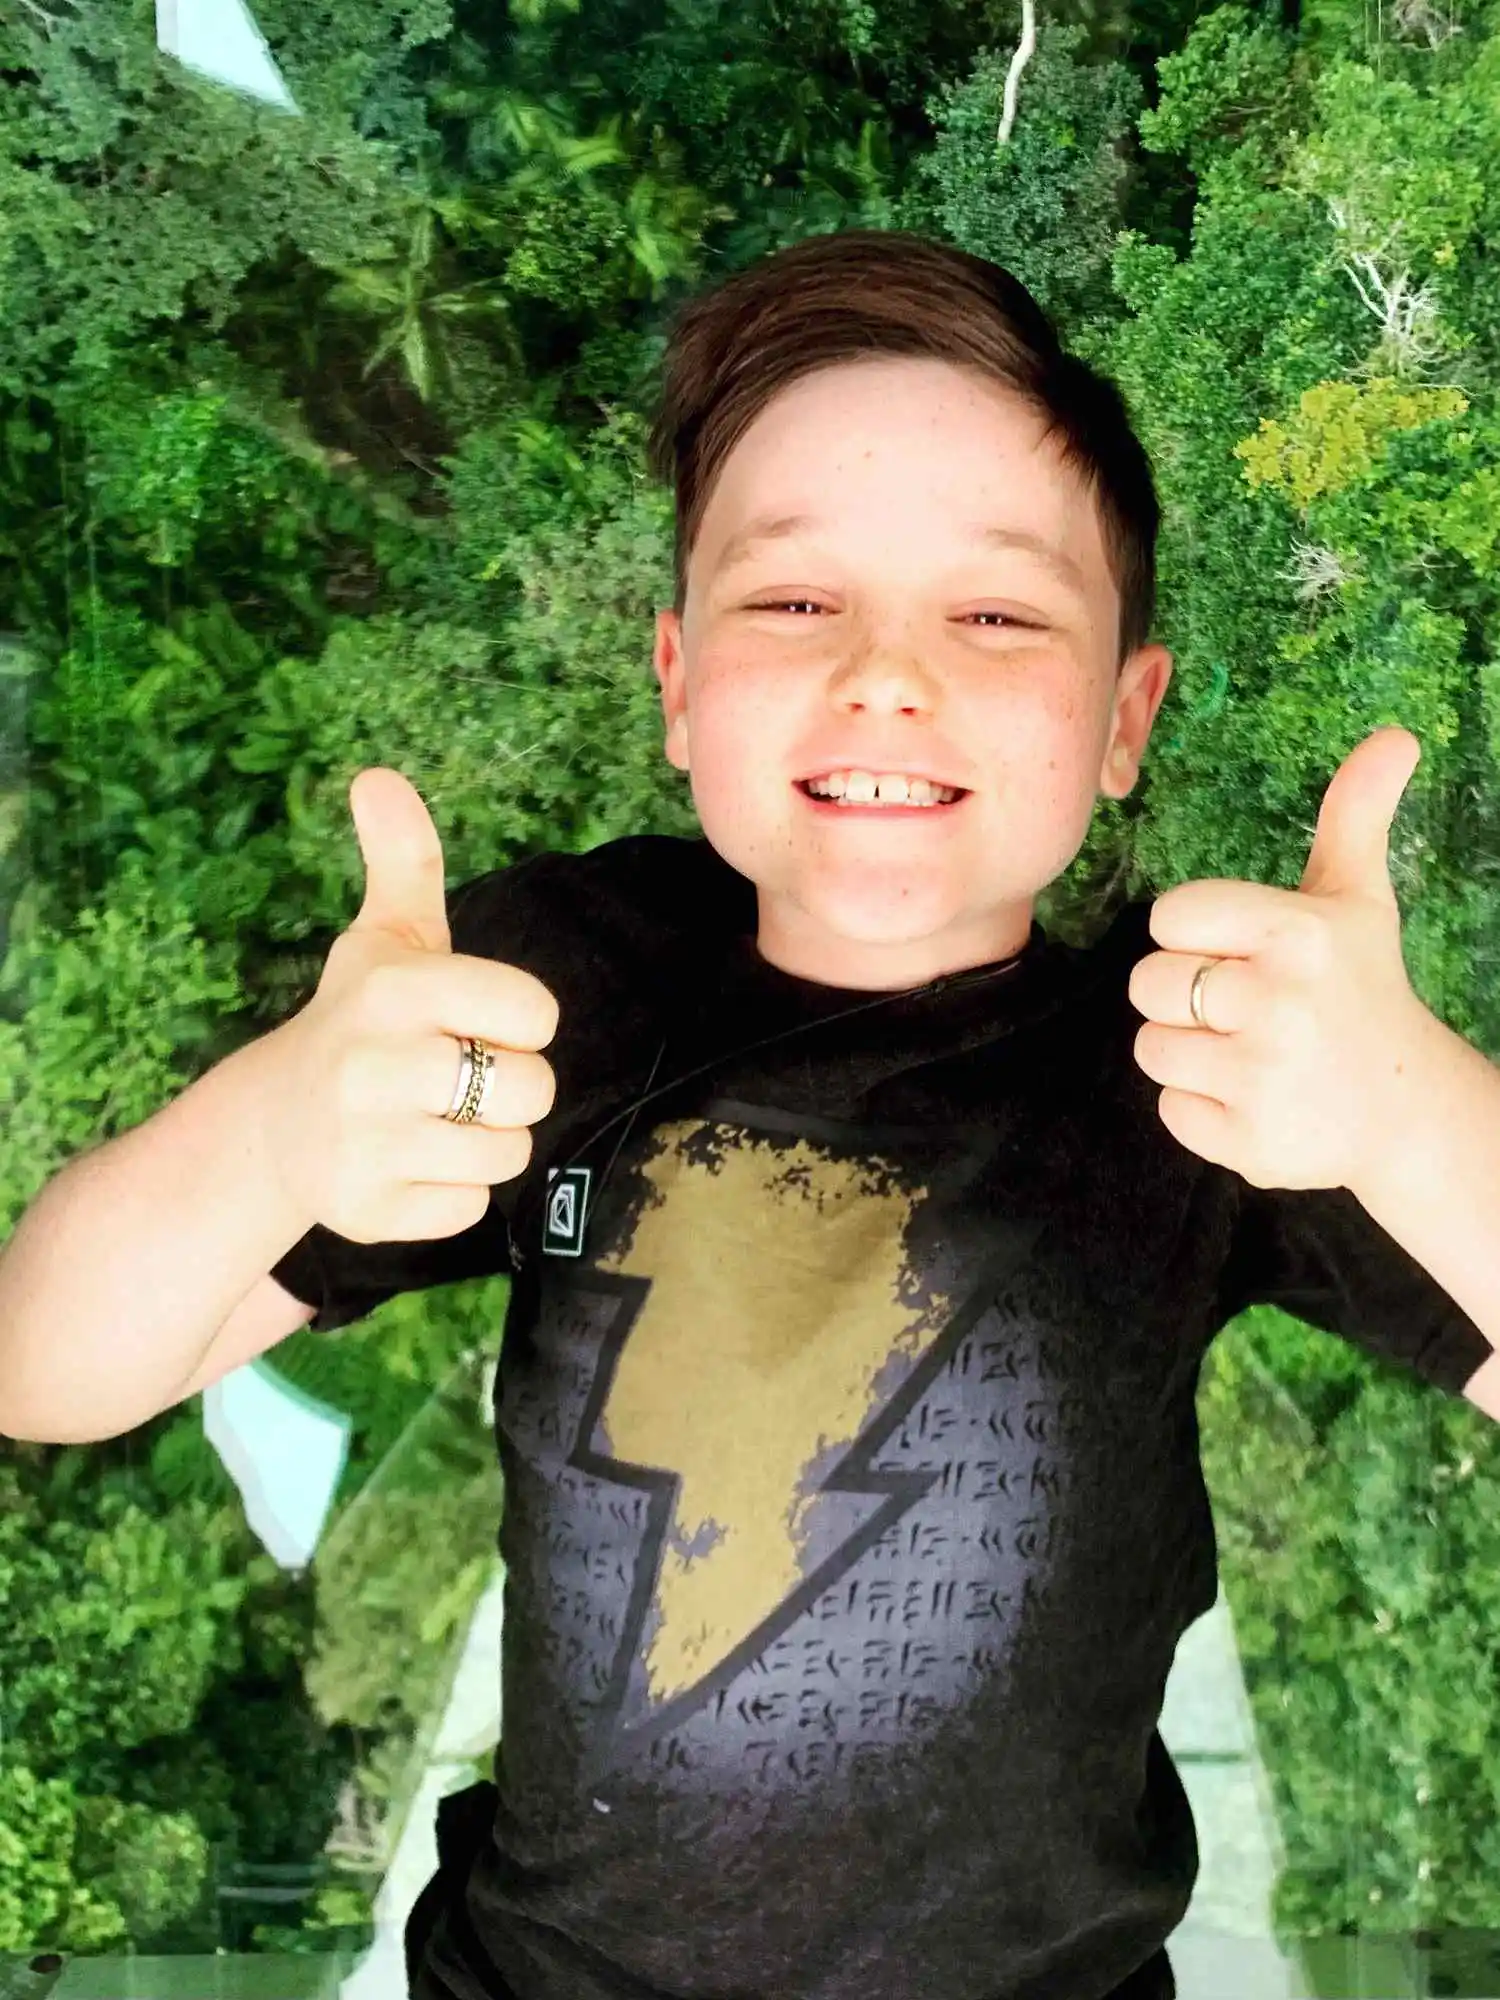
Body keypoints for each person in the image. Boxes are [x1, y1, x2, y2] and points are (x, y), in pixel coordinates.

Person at [1, 229, 1490, 1999]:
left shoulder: (1209, 1064)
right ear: (680, 682)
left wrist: (1408, 1112)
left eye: (1000, 612)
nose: (885, 670)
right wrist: (273, 1134)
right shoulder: (554, 995)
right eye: (791, 600)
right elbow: (44, 1367)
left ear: (1125, 716)